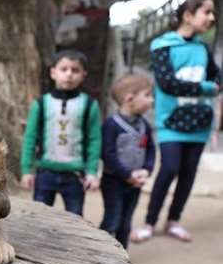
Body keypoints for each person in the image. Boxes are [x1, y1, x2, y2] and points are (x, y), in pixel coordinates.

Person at [131, 0, 221, 243]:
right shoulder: (162, 45)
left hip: (200, 123)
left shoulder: (203, 48)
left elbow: (218, 79)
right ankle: (149, 222)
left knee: (188, 173)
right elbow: (168, 84)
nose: (212, 17)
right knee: (169, 168)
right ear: (188, 15)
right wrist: (206, 88)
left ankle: (174, 220)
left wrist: (211, 86)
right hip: (171, 122)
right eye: (207, 12)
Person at [20, 49, 102, 216]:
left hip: (75, 175)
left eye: (75, 70)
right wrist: (27, 170)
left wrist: (92, 172)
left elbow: (94, 140)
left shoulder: (89, 105)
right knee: (38, 219)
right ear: (53, 73)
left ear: (83, 75)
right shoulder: (41, 104)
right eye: (64, 69)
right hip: (45, 173)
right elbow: (30, 138)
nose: (69, 74)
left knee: (75, 220)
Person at [99, 75, 156, 249]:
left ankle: (122, 255)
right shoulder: (111, 125)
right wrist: (127, 175)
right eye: (147, 95)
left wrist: (146, 169)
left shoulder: (145, 125)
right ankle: (100, 251)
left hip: (135, 184)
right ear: (129, 98)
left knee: (126, 222)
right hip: (114, 182)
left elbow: (151, 150)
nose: (151, 100)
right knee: (112, 221)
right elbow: (107, 154)